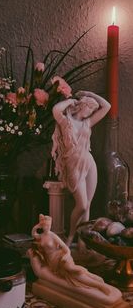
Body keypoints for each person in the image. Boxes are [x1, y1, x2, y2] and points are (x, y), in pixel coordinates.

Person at [52, 91, 110, 246]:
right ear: (82, 106)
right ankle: (71, 236)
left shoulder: (87, 123)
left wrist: (88, 93)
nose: (90, 112)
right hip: (73, 165)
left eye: (92, 111)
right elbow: (56, 110)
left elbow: (106, 106)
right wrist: (71, 101)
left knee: (88, 205)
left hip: (89, 162)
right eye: (89, 108)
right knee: (82, 205)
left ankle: (83, 241)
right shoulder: (66, 122)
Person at [29, 214, 111, 294]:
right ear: (42, 226)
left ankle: (99, 285)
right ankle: (95, 279)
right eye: (45, 225)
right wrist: (38, 225)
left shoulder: (53, 236)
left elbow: (66, 248)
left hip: (61, 256)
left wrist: (66, 255)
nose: (47, 227)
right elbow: (33, 233)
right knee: (74, 275)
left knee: (72, 270)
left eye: (49, 225)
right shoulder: (41, 236)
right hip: (53, 261)